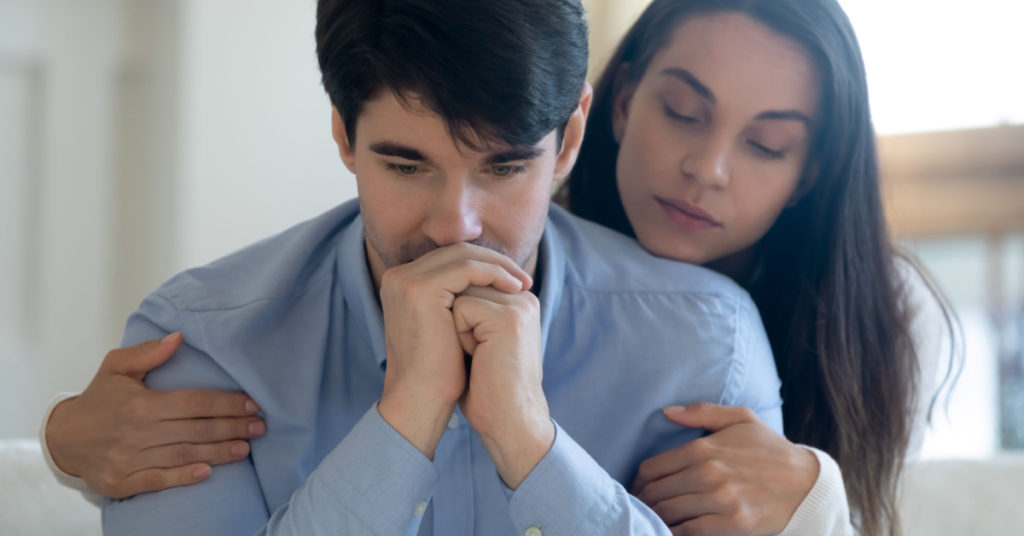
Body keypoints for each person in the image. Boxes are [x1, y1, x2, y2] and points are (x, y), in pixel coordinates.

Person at [43, 0, 783, 535]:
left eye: (503, 167)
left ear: (570, 138)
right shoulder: (206, 344)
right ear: (342, 131)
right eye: (406, 164)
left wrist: (531, 443)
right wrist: (407, 417)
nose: (455, 225)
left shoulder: (705, 344)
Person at [559, 1, 958, 535]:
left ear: (808, 174)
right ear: (625, 101)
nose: (708, 169)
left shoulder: (888, 317)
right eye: (681, 111)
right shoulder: (530, 250)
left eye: (766, 146)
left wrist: (816, 502)